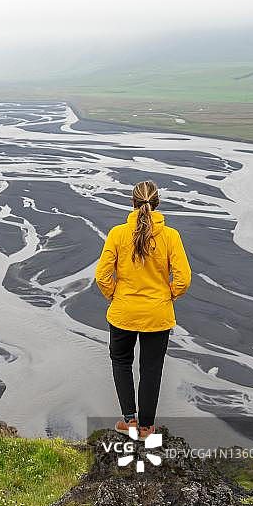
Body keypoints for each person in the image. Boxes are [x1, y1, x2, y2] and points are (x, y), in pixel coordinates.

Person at [94, 180, 191, 440]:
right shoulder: (170, 236)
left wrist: (115, 295)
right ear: (157, 203)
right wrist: (167, 296)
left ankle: (130, 421)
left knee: (122, 362)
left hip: (123, 313)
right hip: (157, 316)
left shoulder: (118, 234)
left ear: (132, 203)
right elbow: (183, 279)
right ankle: (147, 428)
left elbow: (102, 274)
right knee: (151, 369)